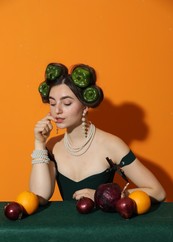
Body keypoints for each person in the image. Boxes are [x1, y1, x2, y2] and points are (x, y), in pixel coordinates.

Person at [29, 62, 166, 205]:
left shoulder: (112, 145)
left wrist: (104, 195)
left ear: (85, 105)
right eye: (52, 103)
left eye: (67, 103)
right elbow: (39, 196)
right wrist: (39, 144)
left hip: (105, 227)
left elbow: (157, 192)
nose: (57, 110)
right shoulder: (52, 146)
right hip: (67, 226)